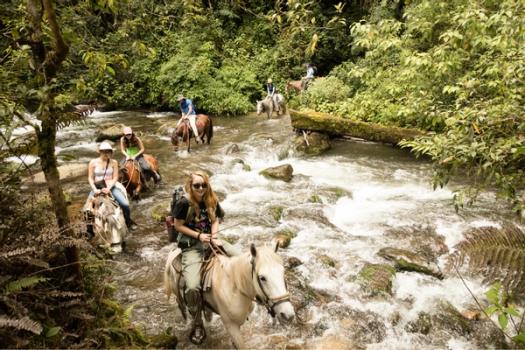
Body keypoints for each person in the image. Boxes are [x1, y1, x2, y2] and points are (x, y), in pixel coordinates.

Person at [172, 171, 240, 344]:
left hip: (211, 239)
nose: (201, 188)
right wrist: (198, 236)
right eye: (197, 185)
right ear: (190, 186)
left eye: (204, 185)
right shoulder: (183, 203)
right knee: (193, 286)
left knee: (242, 259)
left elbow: (215, 220)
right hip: (192, 245)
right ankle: (197, 323)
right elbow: (178, 226)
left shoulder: (211, 199)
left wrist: (215, 236)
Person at [87, 141, 136, 230]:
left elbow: (115, 177)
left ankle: (128, 221)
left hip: (111, 187)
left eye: (108, 151)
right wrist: (94, 189)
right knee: (87, 209)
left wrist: (108, 188)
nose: (106, 153)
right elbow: (90, 178)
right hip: (97, 187)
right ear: (100, 152)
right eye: (104, 151)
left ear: (111, 152)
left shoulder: (113, 162)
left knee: (125, 204)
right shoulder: (92, 163)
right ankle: (89, 231)